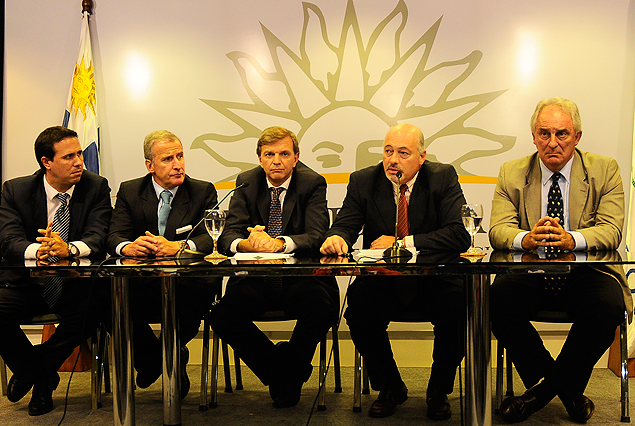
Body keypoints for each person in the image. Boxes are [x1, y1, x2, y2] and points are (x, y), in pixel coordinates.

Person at [489, 97, 631, 423]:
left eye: (562, 134)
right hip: (531, 270)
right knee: (494, 300)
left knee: (609, 304)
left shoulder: (604, 169)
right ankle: (566, 392)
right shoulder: (512, 172)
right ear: (534, 136)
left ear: (577, 137)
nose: (553, 143)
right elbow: (498, 229)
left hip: (586, 271)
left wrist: (572, 238)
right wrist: (525, 238)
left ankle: (538, 394)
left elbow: (611, 231)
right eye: (544, 133)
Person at [320, 123, 471, 420]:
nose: (393, 160)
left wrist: (403, 242)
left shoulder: (442, 177)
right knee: (359, 308)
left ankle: (438, 391)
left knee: (458, 305)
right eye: (388, 151)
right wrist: (335, 237)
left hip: (434, 280)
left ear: (422, 157)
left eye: (403, 153)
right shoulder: (364, 180)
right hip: (384, 281)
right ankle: (390, 387)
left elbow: (459, 234)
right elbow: (346, 224)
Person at [210, 126, 338, 408]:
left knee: (320, 308)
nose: (276, 160)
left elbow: (317, 235)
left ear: (296, 157)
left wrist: (279, 243)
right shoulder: (246, 183)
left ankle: (284, 373)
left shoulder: (312, 183)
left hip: (299, 279)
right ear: (259, 158)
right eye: (269, 154)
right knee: (221, 315)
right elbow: (228, 236)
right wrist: (249, 244)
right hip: (254, 280)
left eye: (284, 154)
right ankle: (285, 372)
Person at [0, 126, 112, 416]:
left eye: (79, 154)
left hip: (73, 285)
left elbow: (99, 237)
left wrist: (69, 249)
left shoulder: (96, 186)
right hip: (27, 284)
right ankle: (41, 375)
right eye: (69, 156)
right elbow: (9, 239)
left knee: (93, 309)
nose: (79, 162)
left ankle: (34, 374)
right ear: (46, 162)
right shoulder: (16, 189)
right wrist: (40, 251)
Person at [107, 130, 219, 399]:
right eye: (168, 158)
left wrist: (179, 247)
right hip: (142, 283)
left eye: (180, 156)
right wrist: (129, 247)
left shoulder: (202, 190)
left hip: (186, 284)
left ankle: (158, 359)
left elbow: (212, 237)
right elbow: (114, 236)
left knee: (197, 296)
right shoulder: (130, 190)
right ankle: (162, 359)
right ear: (150, 165)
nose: (178, 163)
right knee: (108, 300)